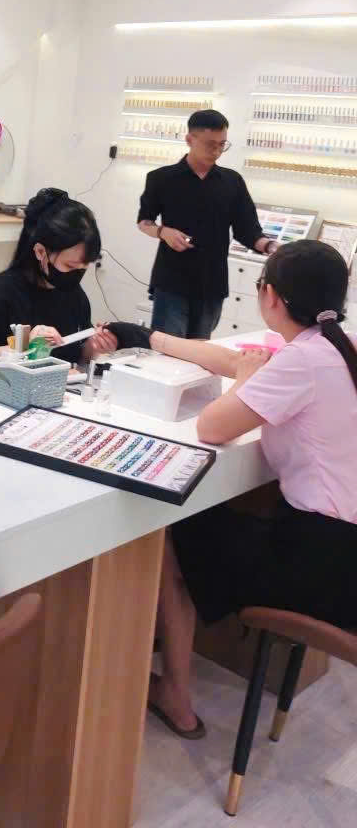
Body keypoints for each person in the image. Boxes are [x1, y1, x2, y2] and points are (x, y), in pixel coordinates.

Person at [107, 240, 357, 739]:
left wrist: (243, 380)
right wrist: (153, 338)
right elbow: (233, 359)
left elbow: (212, 427)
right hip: (343, 557)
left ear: (271, 297)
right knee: (216, 524)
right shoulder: (336, 345)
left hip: (320, 566)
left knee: (175, 533)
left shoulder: (301, 363)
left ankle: (176, 694)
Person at [137, 109, 275, 339]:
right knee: (167, 349)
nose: (217, 151)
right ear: (189, 139)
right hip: (172, 279)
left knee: (201, 349)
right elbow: (144, 222)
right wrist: (163, 232)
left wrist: (270, 247)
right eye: (210, 144)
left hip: (212, 282)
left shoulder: (232, 181)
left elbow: (247, 229)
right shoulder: (161, 178)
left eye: (222, 145)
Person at [0, 188, 118, 364]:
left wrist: (95, 347)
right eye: (70, 266)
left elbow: (77, 357)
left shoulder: (74, 295)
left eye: (84, 267)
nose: (77, 274)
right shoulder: (0, 292)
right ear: (40, 251)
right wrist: (22, 347)